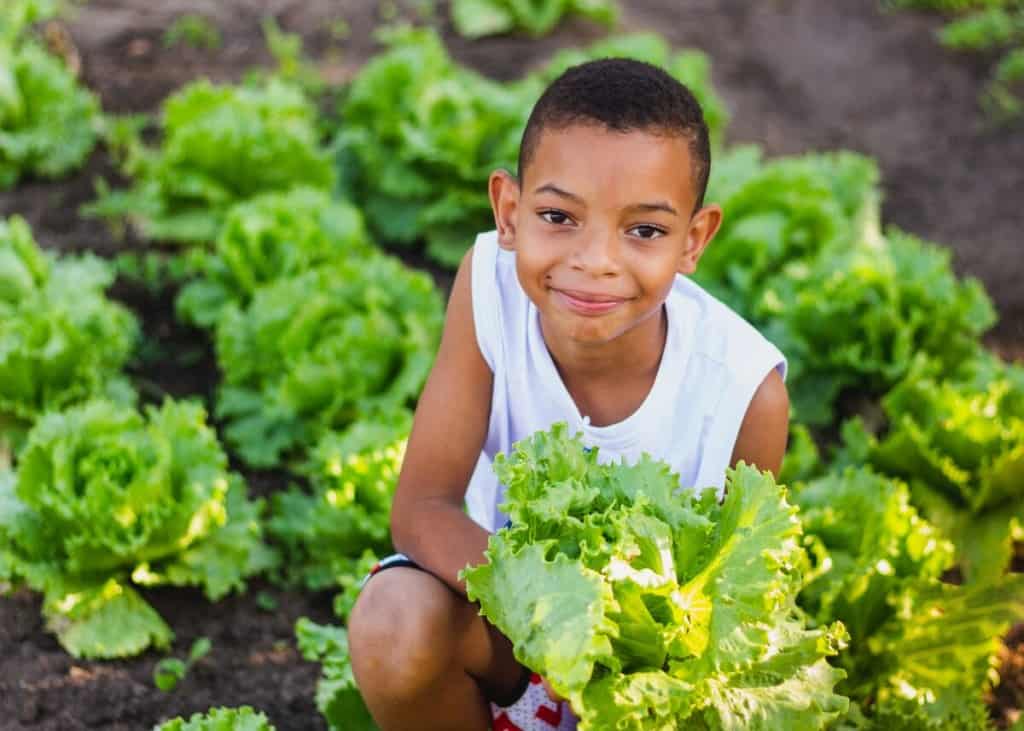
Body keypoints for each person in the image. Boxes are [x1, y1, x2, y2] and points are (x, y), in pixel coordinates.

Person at [348, 56, 790, 731]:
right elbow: (422, 508)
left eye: (644, 230)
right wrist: (553, 617)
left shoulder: (744, 393)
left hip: (646, 686)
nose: (595, 261)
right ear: (509, 211)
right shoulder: (489, 288)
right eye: (559, 216)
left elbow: (729, 618)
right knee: (392, 621)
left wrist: (612, 652)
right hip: (507, 631)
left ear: (693, 240)